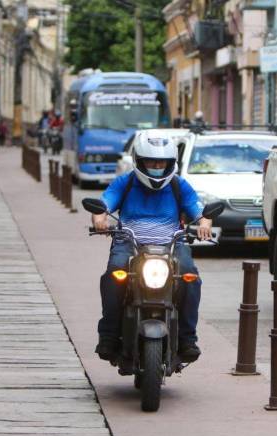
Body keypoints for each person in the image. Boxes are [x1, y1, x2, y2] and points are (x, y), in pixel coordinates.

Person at [91, 130, 213, 362]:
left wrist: (205, 223)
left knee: (190, 276)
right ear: (139, 161)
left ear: (170, 163)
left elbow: (199, 210)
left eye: (162, 162)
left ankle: (188, 338)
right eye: (151, 161)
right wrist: (99, 218)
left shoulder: (179, 185)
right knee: (112, 276)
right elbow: (104, 203)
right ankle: (108, 335)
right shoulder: (124, 183)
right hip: (129, 244)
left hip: (172, 245)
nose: (157, 166)